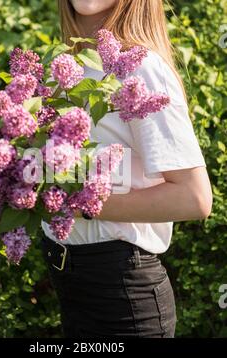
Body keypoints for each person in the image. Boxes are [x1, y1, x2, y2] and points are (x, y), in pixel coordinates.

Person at [41, 0, 213, 338]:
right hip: (71, 281)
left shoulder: (140, 68)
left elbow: (194, 197)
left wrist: (81, 205)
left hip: (122, 296)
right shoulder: (64, 66)